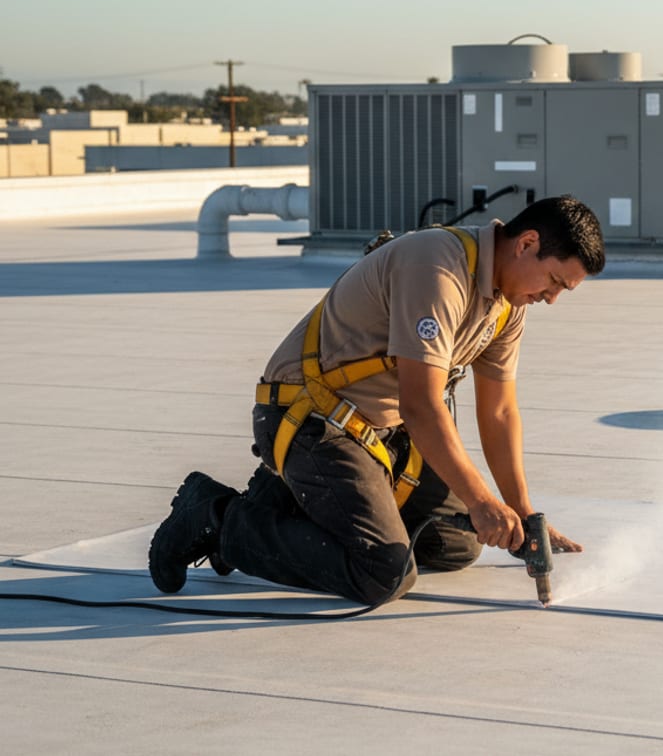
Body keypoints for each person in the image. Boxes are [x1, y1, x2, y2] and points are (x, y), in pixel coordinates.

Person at [149, 195, 605, 605]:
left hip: (378, 434)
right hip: (311, 420)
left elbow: (500, 411)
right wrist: (483, 501)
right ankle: (216, 517)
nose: (551, 299)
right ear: (526, 243)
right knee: (382, 574)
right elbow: (421, 407)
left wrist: (523, 512)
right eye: (554, 282)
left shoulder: (506, 305)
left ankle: (280, 503)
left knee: (456, 543)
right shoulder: (439, 268)